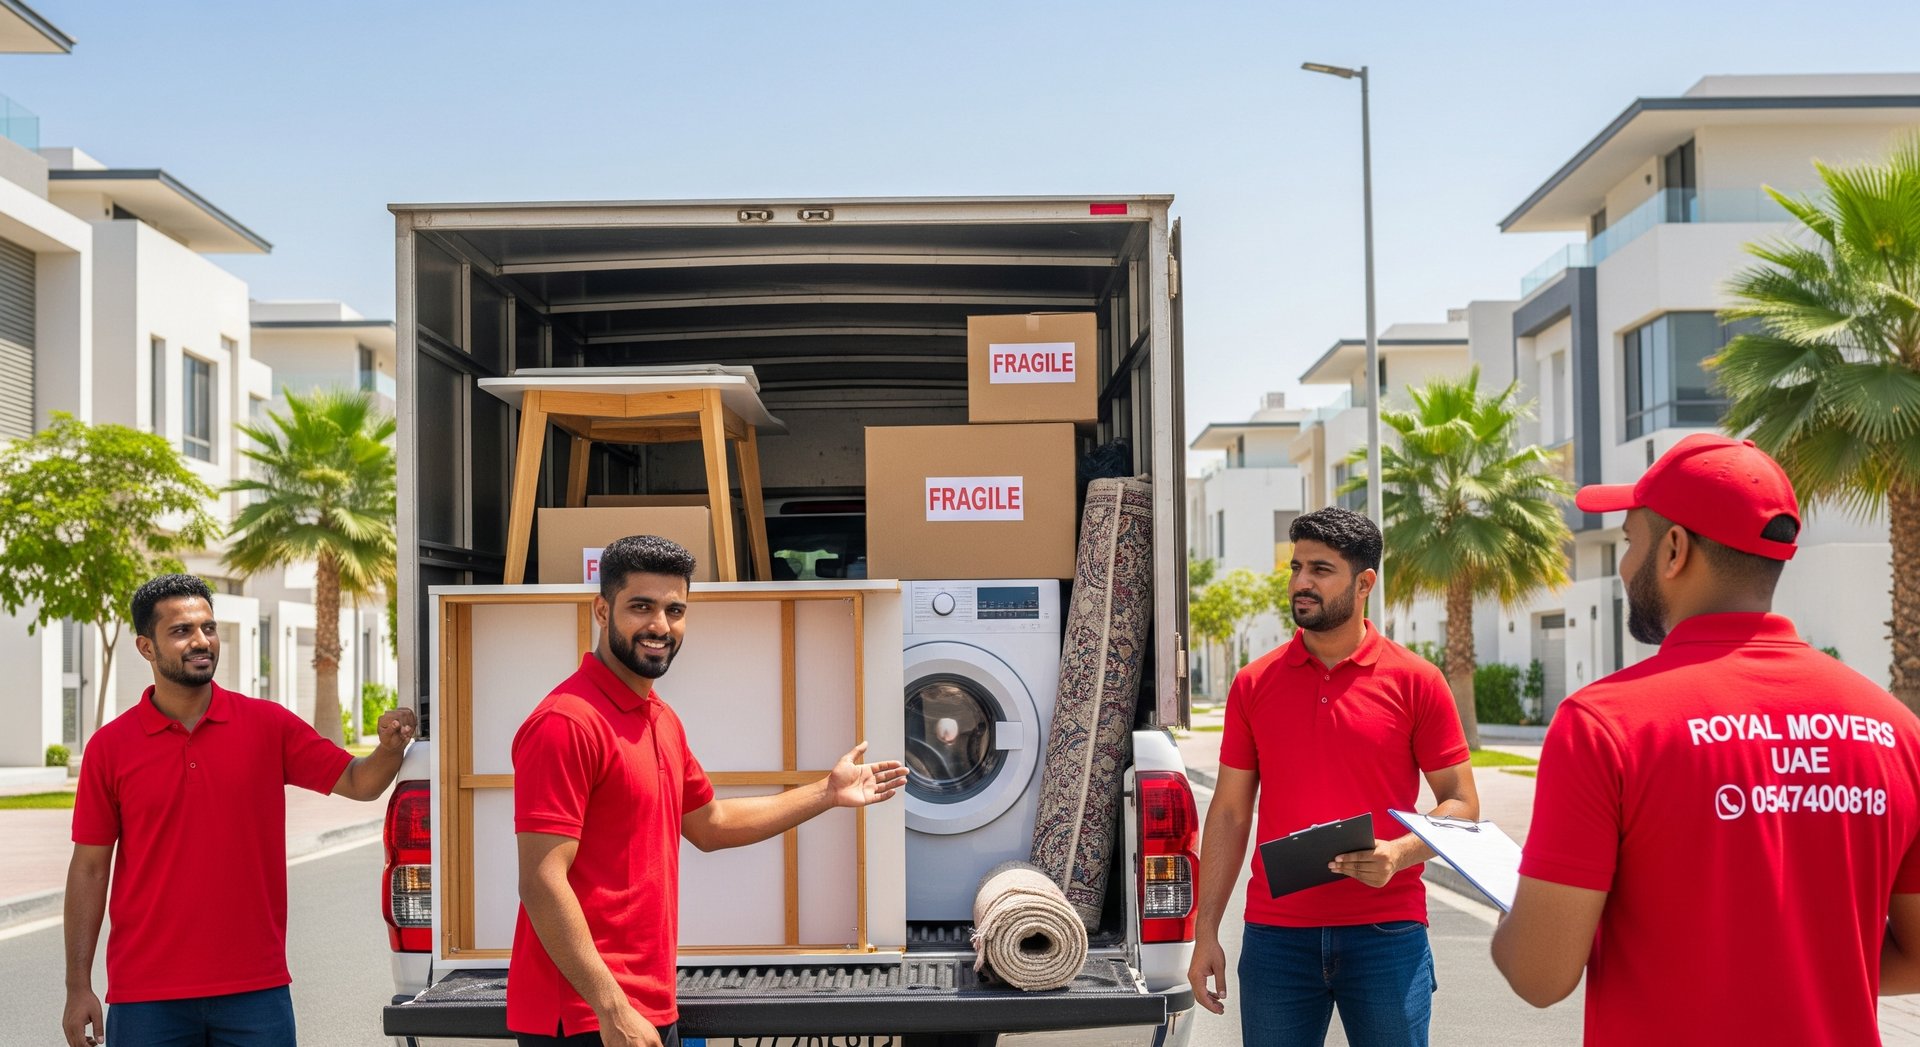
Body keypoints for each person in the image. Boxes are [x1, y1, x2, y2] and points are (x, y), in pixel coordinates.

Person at [1490, 434, 1920, 1045]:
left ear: (1674, 550)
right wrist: (1798, 968)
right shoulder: (1895, 730)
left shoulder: (1604, 724)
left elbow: (1539, 975)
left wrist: (1516, 910)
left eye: (1629, 543)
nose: (1623, 567)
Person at [509, 534, 907, 1047]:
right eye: (641, 607)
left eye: (674, 610)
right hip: (586, 1017)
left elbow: (710, 824)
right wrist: (612, 1009)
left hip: (646, 1005)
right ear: (602, 611)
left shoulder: (660, 719)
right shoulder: (565, 723)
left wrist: (826, 793)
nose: (660, 626)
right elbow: (541, 881)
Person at [62, 573, 418, 1047]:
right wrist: (78, 986)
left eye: (208, 628)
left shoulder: (267, 725)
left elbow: (360, 782)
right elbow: (89, 869)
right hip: (146, 996)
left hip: (255, 992)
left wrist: (389, 749)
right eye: (181, 631)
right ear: (146, 647)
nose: (201, 641)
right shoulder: (110, 748)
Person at [1188, 506, 1480, 1047]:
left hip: (1387, 934)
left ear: (1364, 583)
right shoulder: (1254, 683)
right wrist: (1205, 931)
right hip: (1276, 937)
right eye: (1296, 567)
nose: (1301, 582)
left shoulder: (1417, 681)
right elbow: (1228, 812)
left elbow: (1462, 804)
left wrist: (1399, 853)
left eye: (1320, 570)